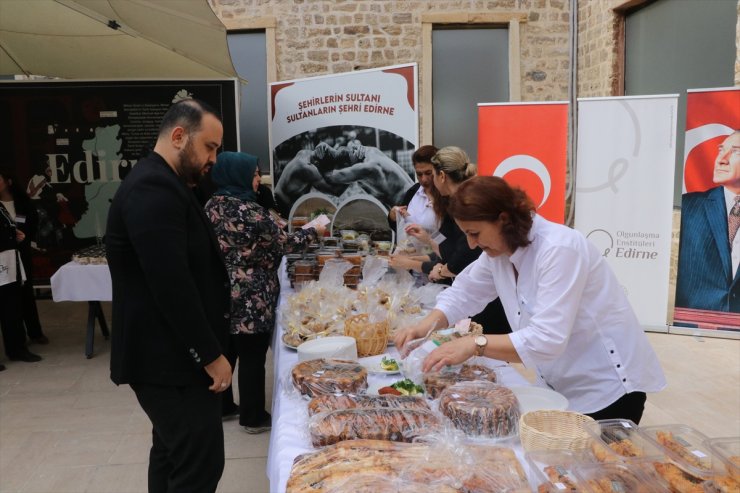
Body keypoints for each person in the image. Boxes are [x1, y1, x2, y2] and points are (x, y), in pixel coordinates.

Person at [394, 176, 666, 424]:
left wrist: (475, 344)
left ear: (503, 219)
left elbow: (548, 338)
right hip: (556, 383)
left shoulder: (560, 249)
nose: (472, 244)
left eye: (475, 233)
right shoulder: (497, 253)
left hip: (606, 388)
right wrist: (424, 326)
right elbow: (464, 291)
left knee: (596, 473)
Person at [106, 99, 232, 493]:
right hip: (167, 361)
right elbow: (170, 282)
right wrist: (211, 356)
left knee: (171, 453)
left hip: (170, 358)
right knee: (200, 462)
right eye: (209, 147)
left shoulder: (167, 182)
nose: (213, 159)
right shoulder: (152, 187)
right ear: (179, 136)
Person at [205, 151, 323, 433]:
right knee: (253, 355)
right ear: (240, 175)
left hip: (221, 289)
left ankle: (222, 407)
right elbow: (286, 243)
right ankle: (253, 416)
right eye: (255, 174)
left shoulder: (211, 205)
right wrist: (315, 229)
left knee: (228, 350)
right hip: (252, 295)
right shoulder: (250, 211)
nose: (258, 180)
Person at [390, 146, 511, 334]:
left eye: (474, 234)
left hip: (492, 316)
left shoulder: (464, 204)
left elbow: (461, 257)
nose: (473, 243)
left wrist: (436, 267)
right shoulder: (451, 202)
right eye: (419, 174)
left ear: (442, 176)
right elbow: (463, 287)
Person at [676, 130, 740, 313]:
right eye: (721, 149)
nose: (721, 159)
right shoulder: (686, 208)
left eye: (736, 151)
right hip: (692, 332)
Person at [0, 168, 49, 345]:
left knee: (26, 292)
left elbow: (32, 221)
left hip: (22, 251)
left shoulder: (21, 202)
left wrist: (23, 236)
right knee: (9, 297)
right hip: (4, 256)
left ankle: (35, 332)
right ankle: (15, 338)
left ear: (8, 182)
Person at [323, 140, 414, 207]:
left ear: (347, 165)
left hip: (408, 204)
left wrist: (316, 158)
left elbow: (331, 177)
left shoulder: (365, 168)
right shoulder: (371, 151)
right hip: (414, 193)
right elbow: (352, 144)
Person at [387, 144, 439, 234]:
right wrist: (393, 217)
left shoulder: (446, 195)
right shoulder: (413, 191)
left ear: (438, 170)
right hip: (410, 247)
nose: (424, 179)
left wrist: (428, 240)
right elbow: (399, 228)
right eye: (419, 174)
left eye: (428, 173)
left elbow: (453, 236)